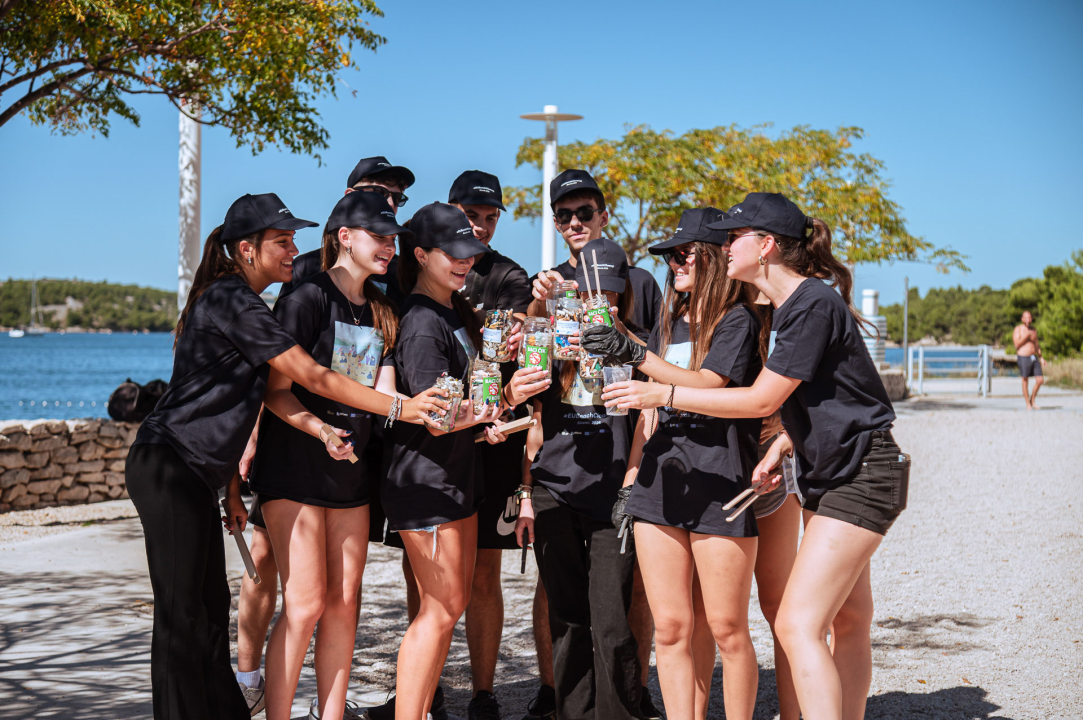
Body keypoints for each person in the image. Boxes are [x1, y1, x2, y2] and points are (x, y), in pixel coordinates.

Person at [125, 193, 444, 720]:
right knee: (181, 616)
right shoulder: (232, 299)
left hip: (199, 474)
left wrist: (229, 489)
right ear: (246, 250)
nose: (294, 249)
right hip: (168, 465)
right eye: (282, 241)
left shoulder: (246, 303)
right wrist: (402, 408)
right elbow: (311, 377)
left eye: (294, 239)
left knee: (209, 609)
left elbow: (224, 404)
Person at [601, 192, 910, 720]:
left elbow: (761, 400)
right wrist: (786, 444)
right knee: (852, 619)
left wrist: (661, 394)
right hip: (827, 473)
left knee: (794, 623)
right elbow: (835, 398)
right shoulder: (791, 308)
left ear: (765, 246)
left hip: (861, 472)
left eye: (733, 237)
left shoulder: (810, 302)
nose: (722, 246)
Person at [235, 156, 413, 715]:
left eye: (394, 238)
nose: (389, 246)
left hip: (351, 475)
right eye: (378, 235)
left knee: (344, 605)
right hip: (296, 472)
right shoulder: (306, 297)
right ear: (345, 237)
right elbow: (275, 390)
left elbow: (388, 400)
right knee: (306, 603)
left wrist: (451, 408)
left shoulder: (382, 311)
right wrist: (319, 430)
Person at [583, 208, 767, 720]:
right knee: (669, 628)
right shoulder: (669, 320)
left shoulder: (737, 320)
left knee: (727, 629)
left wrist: (635, 353)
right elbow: (650, 414)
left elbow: (708, 385)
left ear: (712, 257)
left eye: (684, 253)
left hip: (720, 481)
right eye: (668, 256)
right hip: (659, 482)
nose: (673, 263)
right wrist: (629, 481)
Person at [384, 202, 549, 720]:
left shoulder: (451, 310)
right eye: (452, 253)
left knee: (447, 607)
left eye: (471, 252)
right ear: (421, 255)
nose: (465, 262)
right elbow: (435, 416)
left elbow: (460, 405)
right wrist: (501, 401)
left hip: (453, 477)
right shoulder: (421, 320)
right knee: (437, 612)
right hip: (426, 483)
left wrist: (488, 417)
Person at [524, 170, 663, 720]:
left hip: (616, 480)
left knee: (613, 616)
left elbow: (659, 373)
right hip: (558, 477)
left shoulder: (640, 282)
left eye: (586, 212)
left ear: (604, 216)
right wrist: (537, 312)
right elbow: (527, 381)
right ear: (557, 225)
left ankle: (623, 709)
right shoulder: (547, 285)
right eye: (565, 215)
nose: (576, 222)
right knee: (567, 618)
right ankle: (571, 710)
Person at [282, 156, 415, 303]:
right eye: (380, 192)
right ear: (350, 196)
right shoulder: (305, 267)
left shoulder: (397, 271)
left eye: (397, 198)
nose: (390, 203)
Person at [1013, 311, 1046, 409]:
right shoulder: (1018, 329)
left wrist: (1041, 357)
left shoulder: (1034, 330)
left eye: (1029, 318)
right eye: (1026, 318)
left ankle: (1033, 400)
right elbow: (1017, 344)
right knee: (1025, 379)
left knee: (1040, 380)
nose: (1028, 320)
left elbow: (1037, 345)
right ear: (1022, 319)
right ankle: (1028, 403)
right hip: (1023, 356)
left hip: (1033, 357)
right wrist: (1026, 336)